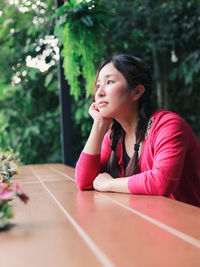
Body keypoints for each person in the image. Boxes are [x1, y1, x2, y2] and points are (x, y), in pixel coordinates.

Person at [75, 54, 200, 207]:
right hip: (149, 222)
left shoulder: (168, 126)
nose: (99, 93)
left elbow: (161, 182)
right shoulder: (115, 136)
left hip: (187, 226)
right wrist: (99, 125)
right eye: (99, 85)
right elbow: (85, 182)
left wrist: (110, 184)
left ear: (136, 92)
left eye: (109, 82)